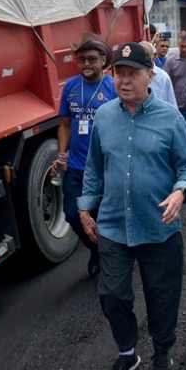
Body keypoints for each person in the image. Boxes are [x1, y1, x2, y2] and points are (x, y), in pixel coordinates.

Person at [78, 42, 186, 370]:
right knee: (112, 295)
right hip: (114, 225)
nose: (125, 80)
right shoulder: (104, 117)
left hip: (159, 227)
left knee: (162, 297)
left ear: (151, 75)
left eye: (133, 73)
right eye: (120, 73)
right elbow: (94, 168)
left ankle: (162, 352)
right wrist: (86, 208)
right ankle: (128, 352)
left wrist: (181, 191)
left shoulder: (170, 118)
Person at [53, 32, 116, 277]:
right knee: (72, 213)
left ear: (103, 60)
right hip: (78, 166)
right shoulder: (70, 86)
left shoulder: (113, 87)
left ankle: (112, 255)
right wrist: (61, 156)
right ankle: (96, 250)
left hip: (107, 166)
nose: (86, 64)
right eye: (81, 60)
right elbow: (65, 125)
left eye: (91, 59)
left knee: (104, 214)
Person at [140, 41, 176, 107]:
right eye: (139, 55)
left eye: (146, 55)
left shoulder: (163, 78)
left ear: (154, 56)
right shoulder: (132, 77)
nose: (143, 59)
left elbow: (172, 104)